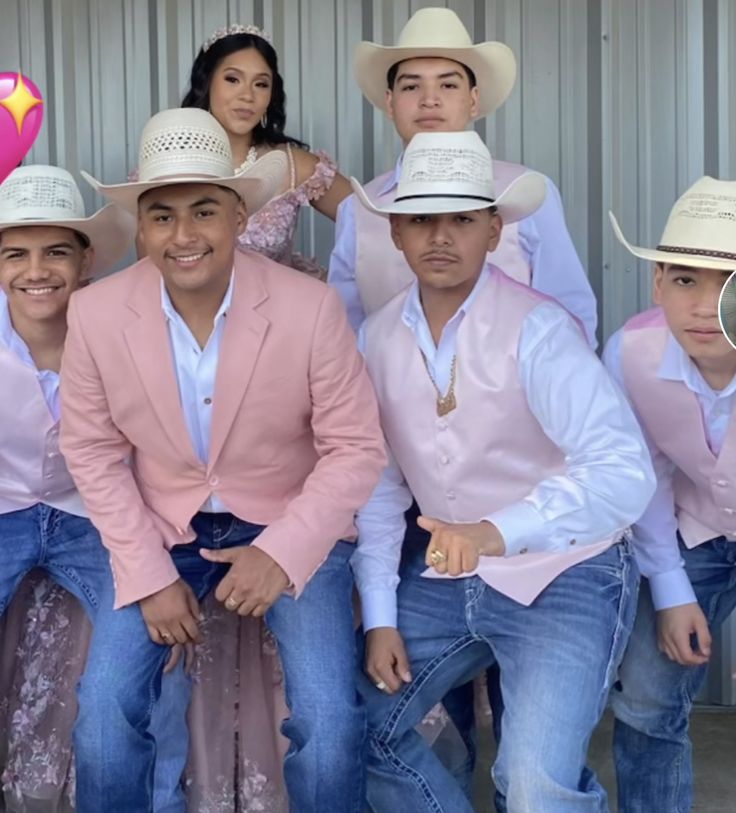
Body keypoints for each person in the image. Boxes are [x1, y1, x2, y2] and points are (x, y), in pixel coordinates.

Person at [61, 107, 386, 812]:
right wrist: (147, 573)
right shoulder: (95, 314)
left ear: (240, 217)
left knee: (329, 725)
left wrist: (283, 552)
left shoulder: (311, 308)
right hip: (164, 528)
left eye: (204, 211)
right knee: (104, 721)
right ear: (141, 228)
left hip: (287, 519)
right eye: (162, 216)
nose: (184, 235)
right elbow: (90, 449)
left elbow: (355, 447)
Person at [350, 130, 656, 812]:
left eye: (462, 217)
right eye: (423, 218)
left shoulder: (539, 330)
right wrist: (379, 615)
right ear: (396, 231)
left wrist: (495, 530)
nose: (441, 236)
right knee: (350, 729)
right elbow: (377, 484)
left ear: (494, 230)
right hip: (445, 578)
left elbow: (625, 470)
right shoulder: (374, 337)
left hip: (567, 573)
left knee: (535, 786)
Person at [0, 165, 187, 812]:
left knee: (145, 651)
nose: (36, 270)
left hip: (91, 517)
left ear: (85, 261)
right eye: (15, 254)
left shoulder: (115, 330)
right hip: (3, 512)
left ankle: (152, 800)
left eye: (55, 252)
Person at [329, 6, 598, 346]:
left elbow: (571, 314)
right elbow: (344, 331)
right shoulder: (358, 210)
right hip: (386, 396)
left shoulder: (528, 193)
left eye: (448, 85)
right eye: (411, 87)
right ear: (390, 102)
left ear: (473, 100)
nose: (430, 100)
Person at [602, 177, 736, 813]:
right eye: (686, 280)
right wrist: (673, 587)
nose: (706, 305)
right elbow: (643, 472)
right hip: (691, 531)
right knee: (649, 699)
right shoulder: (632, 352)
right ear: (658, 283)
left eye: (729, 282)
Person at [181, 23, 351, 277]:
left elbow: (376, 227)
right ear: (206, 82)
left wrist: (347, 288)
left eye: (261, 84)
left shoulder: (295, 166)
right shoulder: (169, 162)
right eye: (232, 79)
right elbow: (150, 273)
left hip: (284, 313)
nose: (247, 95)